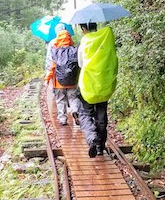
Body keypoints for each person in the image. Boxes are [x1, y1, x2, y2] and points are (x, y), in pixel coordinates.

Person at [76, 22, 117, 157]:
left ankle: (92, 138)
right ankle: (100, 147)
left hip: (88, 85)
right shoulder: (106, 39)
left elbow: (81, 63)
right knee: (101, 115)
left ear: (84, 28)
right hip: (104, 85)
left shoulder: (85, 41)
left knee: (85, 114)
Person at [45, 24, 81, 126]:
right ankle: (74, 110)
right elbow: (79, 64)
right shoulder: (74, 49)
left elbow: (51, 66)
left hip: (58, 81)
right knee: (73, 97)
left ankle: (62, 119)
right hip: (72, 80)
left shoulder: (55, 51)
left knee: (60, 99)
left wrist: (47, 79)